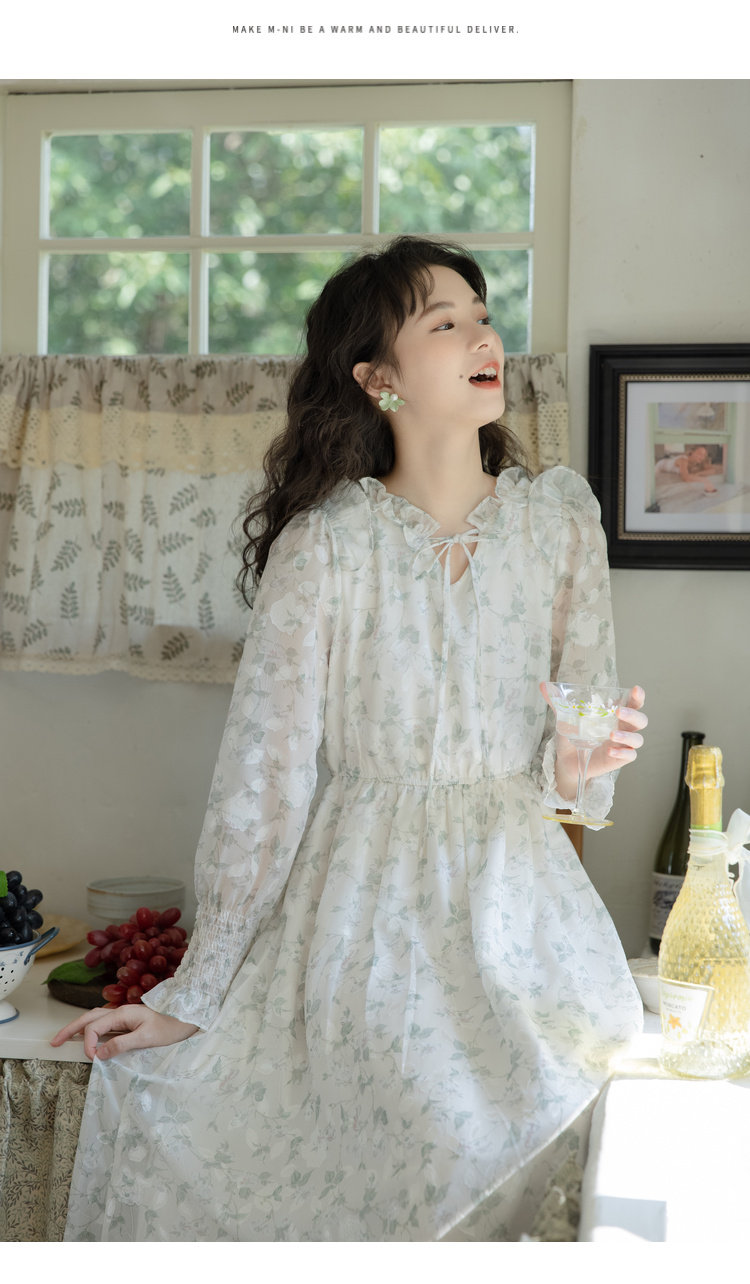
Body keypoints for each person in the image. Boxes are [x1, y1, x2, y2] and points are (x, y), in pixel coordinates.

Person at [53, 236, 647, 1242]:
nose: (483, 336)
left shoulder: (560, 523)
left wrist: (579, 766)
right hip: (363, 912)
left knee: (570, 1131)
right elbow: (264, 776)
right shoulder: (328, 544)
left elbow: (576, 740)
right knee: (396, 1154)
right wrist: (198, 991)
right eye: (445, 323)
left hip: (521, 908)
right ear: (378, 380)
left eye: (482, 315)